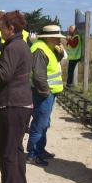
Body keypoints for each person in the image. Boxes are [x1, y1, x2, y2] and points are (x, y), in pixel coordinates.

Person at [0, 11, 33, 183]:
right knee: (16, 149)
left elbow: (4, 75)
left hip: (13, 105)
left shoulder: (13, 47)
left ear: (11, 28)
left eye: (3, 27)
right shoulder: (21, 44)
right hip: (21, 104)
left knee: (7, 151)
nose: (0, 30)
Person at [26, 25, 65, 166]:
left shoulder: (47, 48)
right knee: (39, 124)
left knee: (44, 123)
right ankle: (33, 154)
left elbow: (54, 63)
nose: (59, 40)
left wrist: (59, 53)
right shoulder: (39, 49)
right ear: (48, 37)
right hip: (43, 93)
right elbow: (39, 76)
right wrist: (45, 92)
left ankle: (40, 150)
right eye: (57, 37)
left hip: (48, 92)